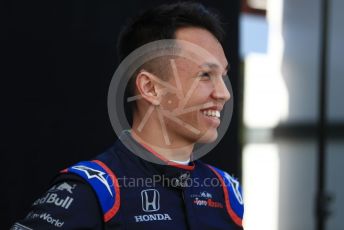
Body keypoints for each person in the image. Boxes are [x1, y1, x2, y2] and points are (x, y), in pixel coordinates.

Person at [11, 2, 244, 230]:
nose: (223, 93)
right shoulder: (94, 190)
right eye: (205, 75)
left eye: (223, 76)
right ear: (151, 88)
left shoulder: (225, 191)